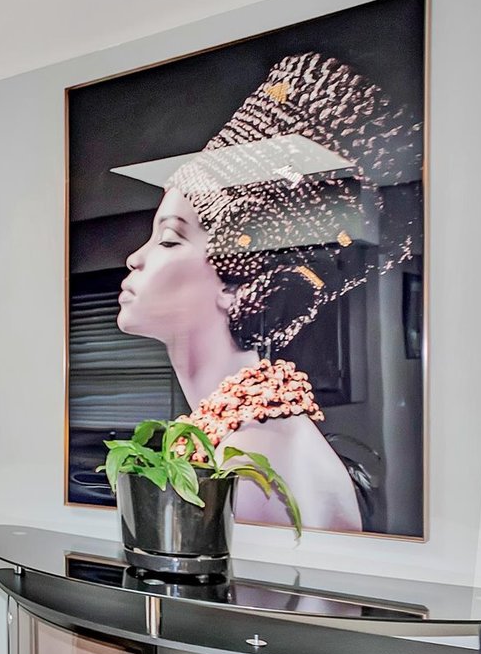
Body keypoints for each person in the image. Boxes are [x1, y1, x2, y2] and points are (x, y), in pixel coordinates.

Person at [116, 52, 420, 533]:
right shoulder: (246, 432)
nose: (135, 258)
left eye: (170, 238)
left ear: (238, 285)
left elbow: (231, 608)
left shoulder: (256, 452)